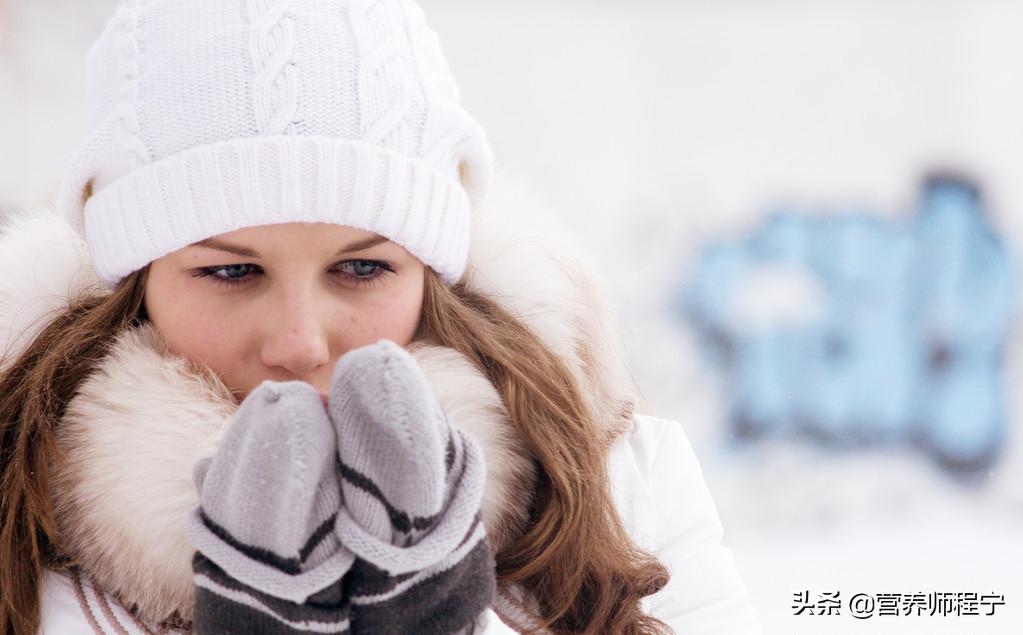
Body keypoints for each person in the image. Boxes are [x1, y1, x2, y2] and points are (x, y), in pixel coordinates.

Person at [0, 0, 762, 633]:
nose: (300, 341)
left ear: (431, 273)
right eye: (231, 271)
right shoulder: (16, 511)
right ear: (138, 281)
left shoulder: (618, 482)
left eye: (362, 268)